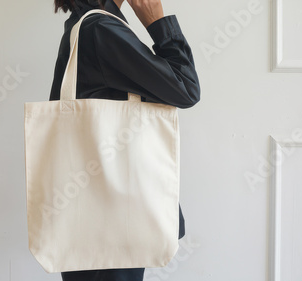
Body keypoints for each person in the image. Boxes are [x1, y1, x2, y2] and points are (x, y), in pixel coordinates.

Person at [49, 0, 201, 280]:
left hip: (92, 215)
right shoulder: (101, 29)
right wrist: (157, 22)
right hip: (113, 217)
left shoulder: (83, 25)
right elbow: (186, 88)